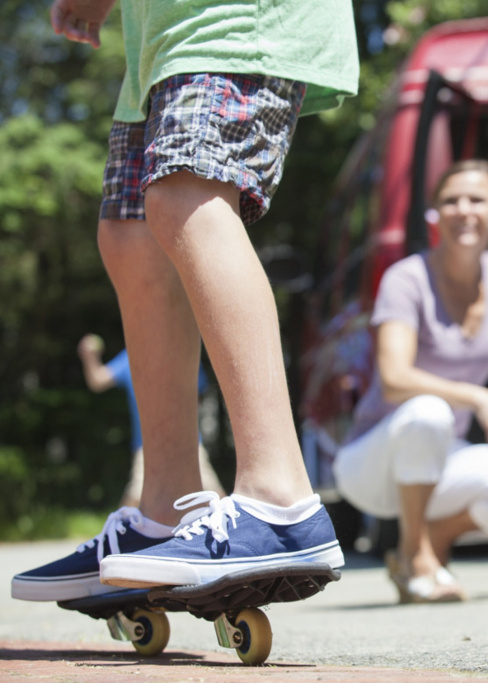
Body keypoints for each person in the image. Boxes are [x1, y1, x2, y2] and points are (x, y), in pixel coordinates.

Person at [11, 0, 358, 602]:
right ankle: (164, 516)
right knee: (131, 236)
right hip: (158, 36)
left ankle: (282, 503)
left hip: (230, 17)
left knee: (185, 194)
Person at [322, 160, 488, 603]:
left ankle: (426, 539)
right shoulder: (407, 278)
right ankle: (417, 560)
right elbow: (395, 379)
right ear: (435, 214)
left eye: (477, 199)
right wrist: (479, 398)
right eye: (450, 200)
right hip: (373, 461)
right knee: (428, 411)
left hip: (438, 459)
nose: (463, 209)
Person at [77, 333, 225, 508]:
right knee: (136, 495)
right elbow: (97, 380)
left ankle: (236, 529)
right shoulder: (130, 356)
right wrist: (90, 357)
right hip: (147, 444)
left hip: (187, 440)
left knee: (212, 491)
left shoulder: (183, 352)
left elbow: (198, 395)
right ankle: (122, 532)